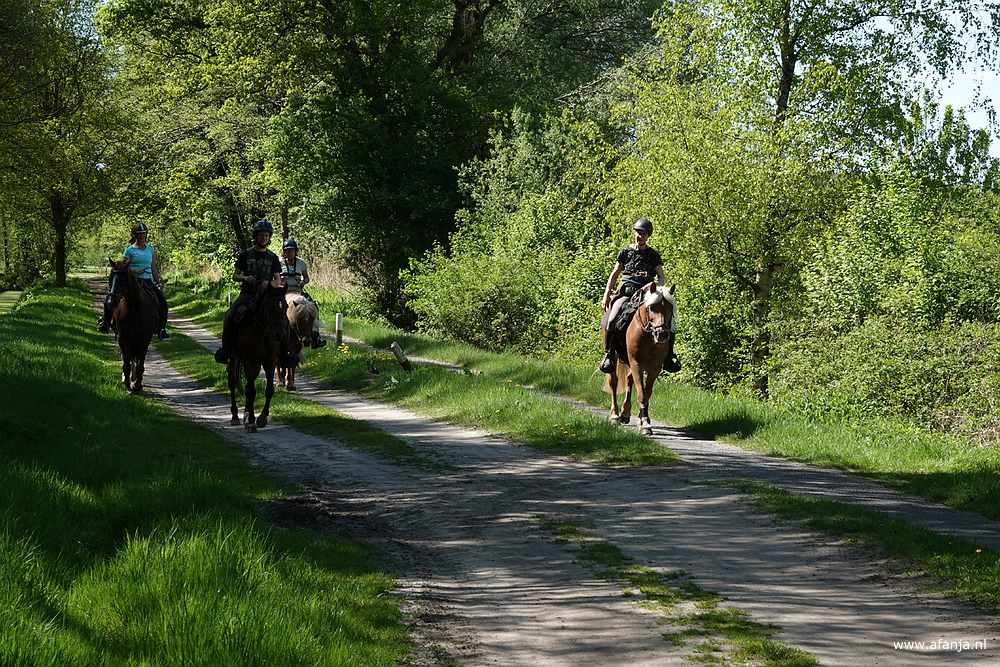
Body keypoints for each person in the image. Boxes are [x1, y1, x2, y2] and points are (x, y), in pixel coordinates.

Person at [213, 219, 296, 365]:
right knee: (230, 315)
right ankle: (226, 350)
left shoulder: (273, 257)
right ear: (255, 236)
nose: (263, 238)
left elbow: (278, 280)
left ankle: (285, 354)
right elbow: (235, 275)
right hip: (247, 295)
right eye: (261, 235)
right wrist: (246, 278)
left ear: (269, 237)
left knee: (283, 320)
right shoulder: (245, 255)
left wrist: (268, 283)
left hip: (267, 296)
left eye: (266, 235)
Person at [599, 217, 671, 373]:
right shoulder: (625, 251)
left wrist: (654, 286)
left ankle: (669, 357)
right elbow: (614, 274)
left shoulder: (653, 255)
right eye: (638, 232)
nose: (640, 236)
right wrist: (606, 295)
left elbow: (662, 277)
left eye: (643, 233)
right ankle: (609, 355)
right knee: (612, 319)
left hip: (646, 295)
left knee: (667, 320)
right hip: (626, 293)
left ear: (648, 236)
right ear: (634, 233)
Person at [99, 223, 169, 340]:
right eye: (139, 234)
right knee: (111, 299)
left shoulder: (150, 250)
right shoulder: (129, 250)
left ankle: (161, 329)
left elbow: (153, 267)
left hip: (147, 281)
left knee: (162, 301)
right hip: (132, 281)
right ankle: (106, 322)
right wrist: (136, 270)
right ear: (135, 235)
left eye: (144, 234)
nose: (142, 236)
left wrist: (158, 281)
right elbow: (123, 267)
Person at [280, 238, 327, 349]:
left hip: (297, 291)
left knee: (314, 306)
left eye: (291, 250)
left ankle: (315, 336)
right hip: (283, 291)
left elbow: (306, 278)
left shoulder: (301, 263)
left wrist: (302, 282)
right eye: (287, 250)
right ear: (284, 252)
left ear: (296, 251)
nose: (289, 253)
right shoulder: (279, 262)